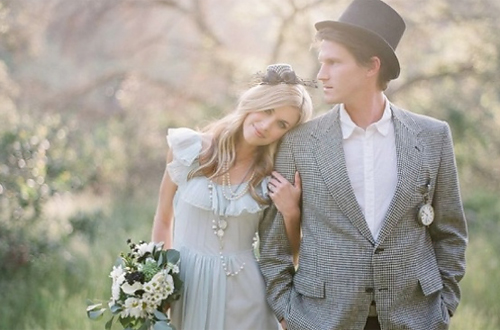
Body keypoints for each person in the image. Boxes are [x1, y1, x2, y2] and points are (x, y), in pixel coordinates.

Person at [258, 1, 468, 330]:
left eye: (333, 62)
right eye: (321, 62)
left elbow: (451, 234)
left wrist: (444, 307)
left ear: (371, 66)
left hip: (414, 319)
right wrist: (287, 312)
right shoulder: (298, 142)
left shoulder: (432, 136)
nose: (320, 74)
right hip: (321, 320)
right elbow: (274, 245)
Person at [151, 63, 313, 330]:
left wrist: (292, 213)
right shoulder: (189, 148)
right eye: (267, 110)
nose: (266, 125)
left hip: (246, 298)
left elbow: (286, 255)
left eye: (281, 124)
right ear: (255, 101)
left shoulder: (271, 178)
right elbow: (164, 217)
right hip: (186, 287)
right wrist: (158, 280)